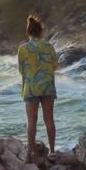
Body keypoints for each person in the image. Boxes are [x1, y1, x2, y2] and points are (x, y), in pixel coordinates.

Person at [17, 14, 57, 162]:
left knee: (31, 122)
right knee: (49, 120)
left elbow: (21, 70)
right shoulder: (49, 46)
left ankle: (32, 153)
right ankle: (52, 151)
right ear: (41, 31)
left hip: (31, 88)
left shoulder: (23, 49)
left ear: (28, 31)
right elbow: (54, 66)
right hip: (47, 87)